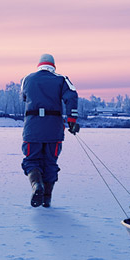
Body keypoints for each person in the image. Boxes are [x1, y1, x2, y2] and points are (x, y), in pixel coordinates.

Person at [20, 53, 79, 207]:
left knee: (32, 160)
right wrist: (72, 120)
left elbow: (24, 98)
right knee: (50, 162)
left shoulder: (27, 79)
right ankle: (47, 199)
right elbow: (72, 96)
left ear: (38, 65)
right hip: (54, 130)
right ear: (53, 66)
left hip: (32, 129)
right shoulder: (61, 79)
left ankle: (36, 185)